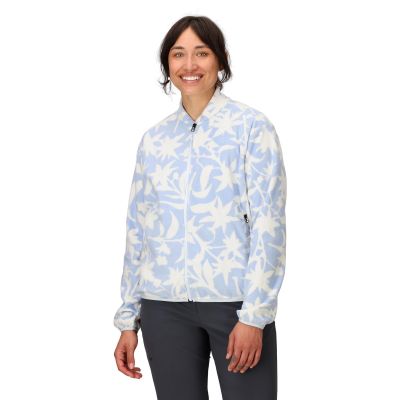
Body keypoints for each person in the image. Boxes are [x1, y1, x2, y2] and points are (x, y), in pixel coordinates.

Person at [113, 15, 287, 400]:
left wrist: (254, 315)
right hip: (163, 308)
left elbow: (268, 226)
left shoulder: (252, 128)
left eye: (201, 53)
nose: (189, 65)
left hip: (234, 306)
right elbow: (139, 230)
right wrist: (129, 319)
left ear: (220, 60)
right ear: (167, 64)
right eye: (178, 54)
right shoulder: (154, 140)